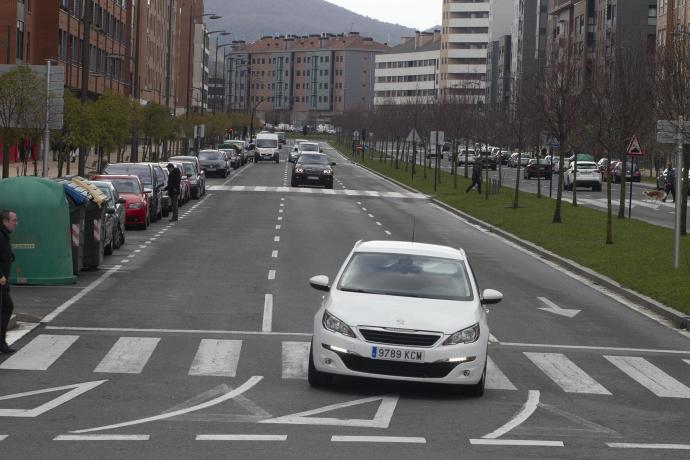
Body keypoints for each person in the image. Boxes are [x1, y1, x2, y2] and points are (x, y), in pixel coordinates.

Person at [0, 210, 17, 354]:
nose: (16, 223)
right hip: (1, 280)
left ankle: (1, 342)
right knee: (7, 307)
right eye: (14, 220)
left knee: (6, 307)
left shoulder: (4, 235)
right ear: (5, 221)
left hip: (3, 281)